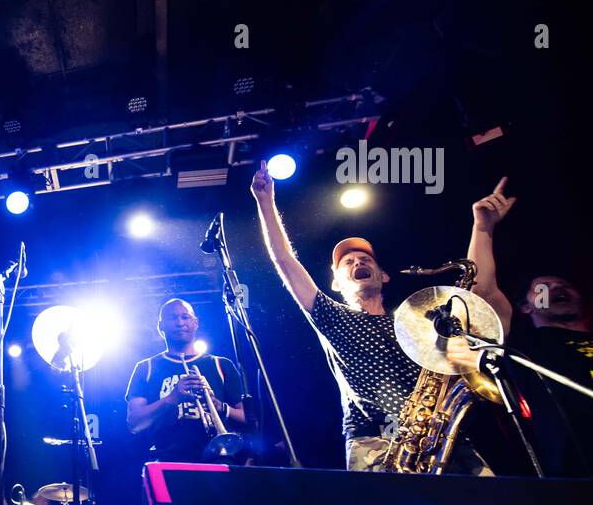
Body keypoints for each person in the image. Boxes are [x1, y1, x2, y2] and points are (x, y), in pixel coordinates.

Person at [250, 160, 507, 472]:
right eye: (348, 262)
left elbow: (476, 297)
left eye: (364, 258)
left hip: (446, 440)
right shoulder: (334, 317)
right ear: (335, 283)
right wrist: (266, 203)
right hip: (376, 445)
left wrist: (482, 228)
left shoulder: (418, 318)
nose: (358, 261)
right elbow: (285, 260)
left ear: (384, 276)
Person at [125, 299, 246, 462]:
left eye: (185, 317)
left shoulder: (220, 364)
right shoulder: (146, 367)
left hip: (220, 458)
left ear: (195, 323)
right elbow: (134, 423)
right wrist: (171, 398)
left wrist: (220, 407)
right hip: (169, 460)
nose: (180, 322)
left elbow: (248, 418)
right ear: (161, 326)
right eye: (172, 317)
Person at [501, 274, 593, 476]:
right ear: (525, 307)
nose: (558, 288)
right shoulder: (526, 345)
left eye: (565, 285)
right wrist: (485, 239)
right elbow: (484, 293)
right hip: (579, 477)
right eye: (544, 288)